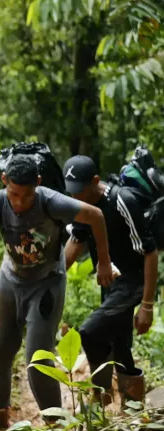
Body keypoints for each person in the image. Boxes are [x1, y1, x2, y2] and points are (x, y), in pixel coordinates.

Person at [0, 155, 114, 427]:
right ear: (4, 181)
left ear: (38, 184)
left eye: (27, 195)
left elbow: (96, 216)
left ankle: (55, 424)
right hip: (10, 278)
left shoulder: (50, 201)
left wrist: (103, 261)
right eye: (14, 193)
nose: (19, 202)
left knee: (37, 361)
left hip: (47, 282)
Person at [62, 155, 158, 403]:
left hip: (133, 280)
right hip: (111, 283)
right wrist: (50, 278)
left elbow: (150, 252)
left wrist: (147, 305)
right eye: (71, 191)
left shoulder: (121, 201)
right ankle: (134, 407)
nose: (75, 196)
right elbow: (75, 243)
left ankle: (100, 394)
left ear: (95, 181)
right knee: (119, 343)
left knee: (90, 330)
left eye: (79, 190)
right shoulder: (81, 206)